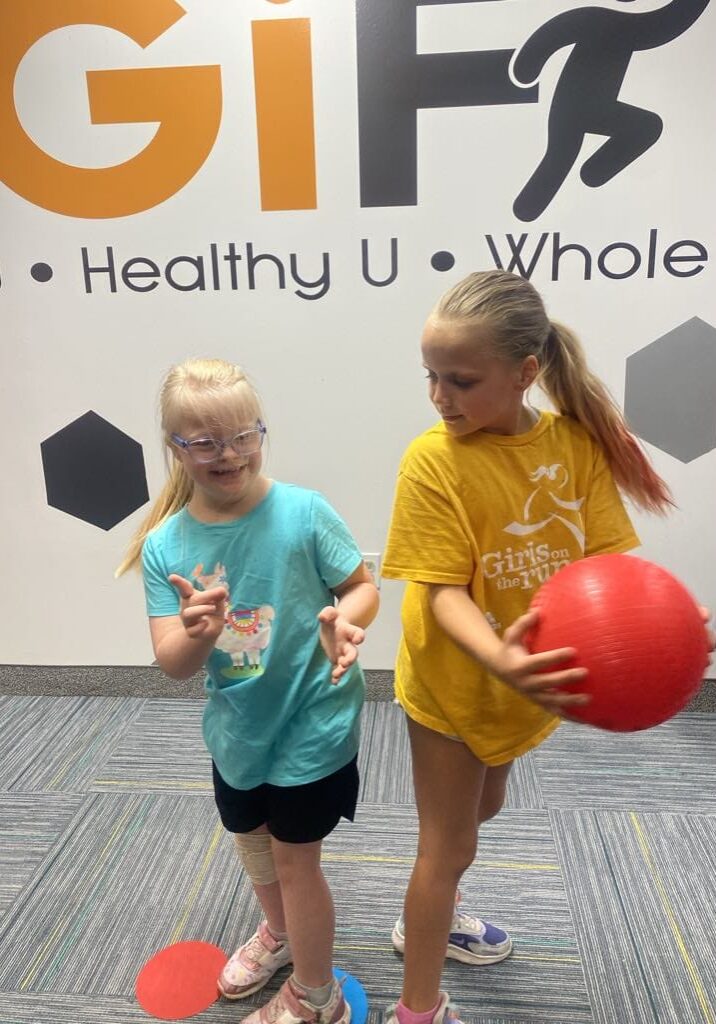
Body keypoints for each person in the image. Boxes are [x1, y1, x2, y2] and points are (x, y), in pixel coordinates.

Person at [381, 270, 713, 1024]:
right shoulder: (432, 461)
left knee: (484, 809)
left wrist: (675, 618)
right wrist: (498, 657)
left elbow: (606, 565)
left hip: (525, 683)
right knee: (446, 849)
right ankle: (417, 1007)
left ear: (527, 372)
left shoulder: (573, 446)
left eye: (462, 380)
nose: (440, 396)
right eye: (431, 377)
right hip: (454, 685)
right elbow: (441, 592)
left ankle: (439, 906)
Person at [117, 358, 379, 1024]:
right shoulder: (165, 546)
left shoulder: (303, 512)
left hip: (312, 723)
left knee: (296, 863)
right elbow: (173, 664)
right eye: (204, 442)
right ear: (175, 449)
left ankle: (318, 999)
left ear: (262, 432)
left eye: (243, 435)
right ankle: (280, 934)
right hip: (237, 732)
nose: (229, 454)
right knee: (252, 841)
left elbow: (360, 586)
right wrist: (199, 632)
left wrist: (347, 622)